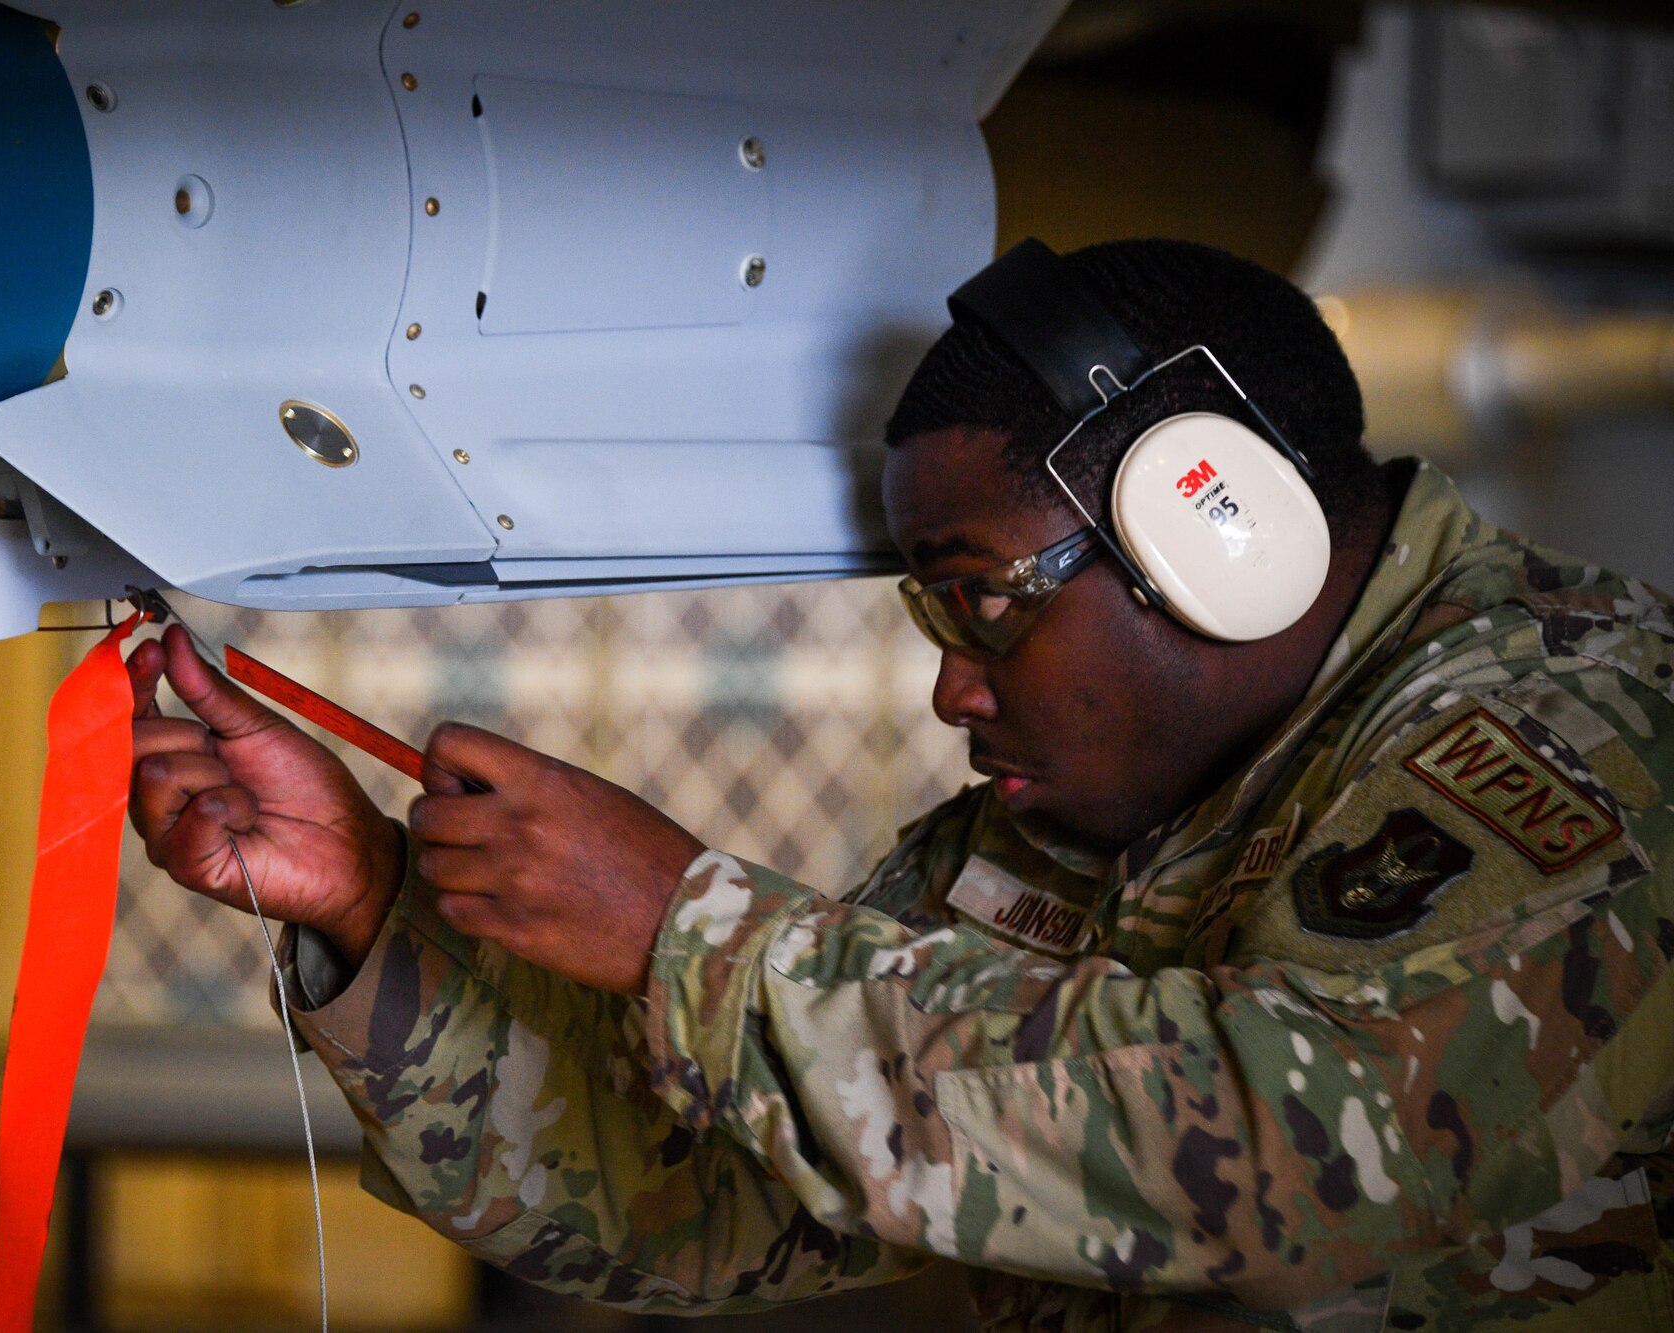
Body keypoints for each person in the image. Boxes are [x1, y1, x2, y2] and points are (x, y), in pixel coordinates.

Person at [125, 239, 1674, 1331]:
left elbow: (1318, 1150)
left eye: (985, 597)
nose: (952, 683)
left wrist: (689, 930)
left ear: (1220, 531)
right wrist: (370, 904)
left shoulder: (1566, 728)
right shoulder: (1077, 828)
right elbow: (698, 1197)